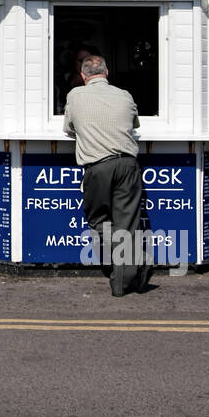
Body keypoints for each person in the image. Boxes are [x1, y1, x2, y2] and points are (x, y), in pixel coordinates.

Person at [63, 54, 152, 296]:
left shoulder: (75, 95)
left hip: (97, 167)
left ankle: (131, 263)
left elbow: (68, 129)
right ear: (107, 72)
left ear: (83, 76)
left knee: (99, 221)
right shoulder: (124, 95)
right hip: (127, 164)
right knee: (128, 225)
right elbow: (135, 124)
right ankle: (123, 282)